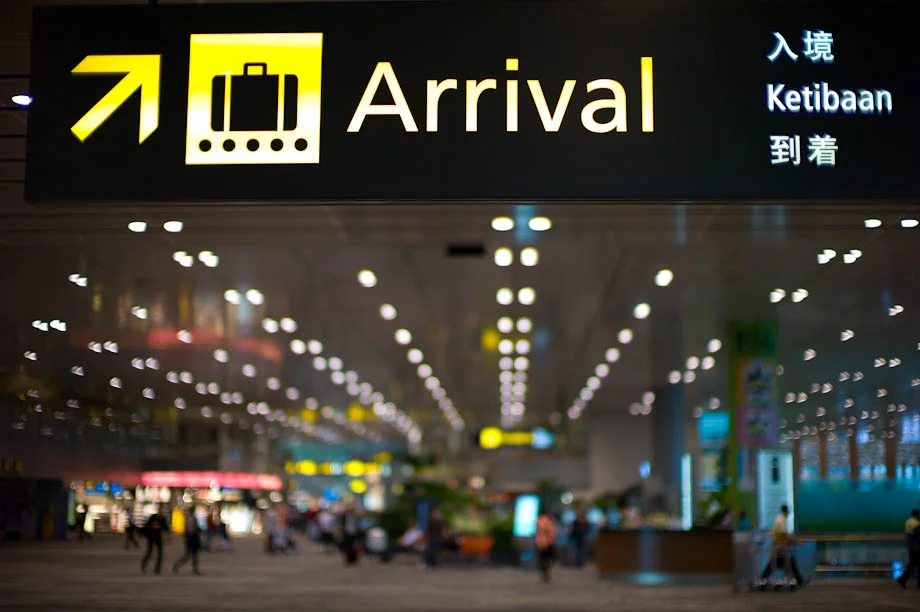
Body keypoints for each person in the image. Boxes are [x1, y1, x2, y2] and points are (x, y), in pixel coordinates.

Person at [760, 504, 805, 586]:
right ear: (785, 511)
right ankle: (762, 579)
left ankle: (800, 580)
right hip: (780, 547)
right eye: (787, 512)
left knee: (781, 562)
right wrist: (797, 541)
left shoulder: (780, 518)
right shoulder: (781, 519)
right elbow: (784, 534)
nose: (788, 514)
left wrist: (795, 540)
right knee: (780, 562)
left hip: (779, 547)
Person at [174, 507, 201, 575]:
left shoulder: (190, 519)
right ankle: (177, 565)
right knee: (189, 555)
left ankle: (194, 569)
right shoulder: (190, 519)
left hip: (192, 538)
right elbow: (193, 529)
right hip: (191, 538)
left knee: (193, 555)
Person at [897, 508, 920, 588]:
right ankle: (905, 579)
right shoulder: (917, 524)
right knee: (915, 564)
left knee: (912, 564)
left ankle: (903, 579)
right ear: (917, 515)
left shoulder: (908, 521)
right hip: (917, 548)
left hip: (911, 547)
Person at [141, 507, 166, 574]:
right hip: (151, 537)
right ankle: (144, 564)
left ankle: (157, 568)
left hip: (158, 538)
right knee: (149, 552)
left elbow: (165, 528)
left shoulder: (162, 518)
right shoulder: (153, 517)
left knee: (160, 554)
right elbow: (147, 526)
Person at [536, 509, 559, 583]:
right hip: (545, 542)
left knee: (546, 558)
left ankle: (545, 572)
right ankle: (545, 572)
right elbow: (547, 530)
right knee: (546, 558)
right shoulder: (543, 521)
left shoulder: (549, 520)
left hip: (546, 542)